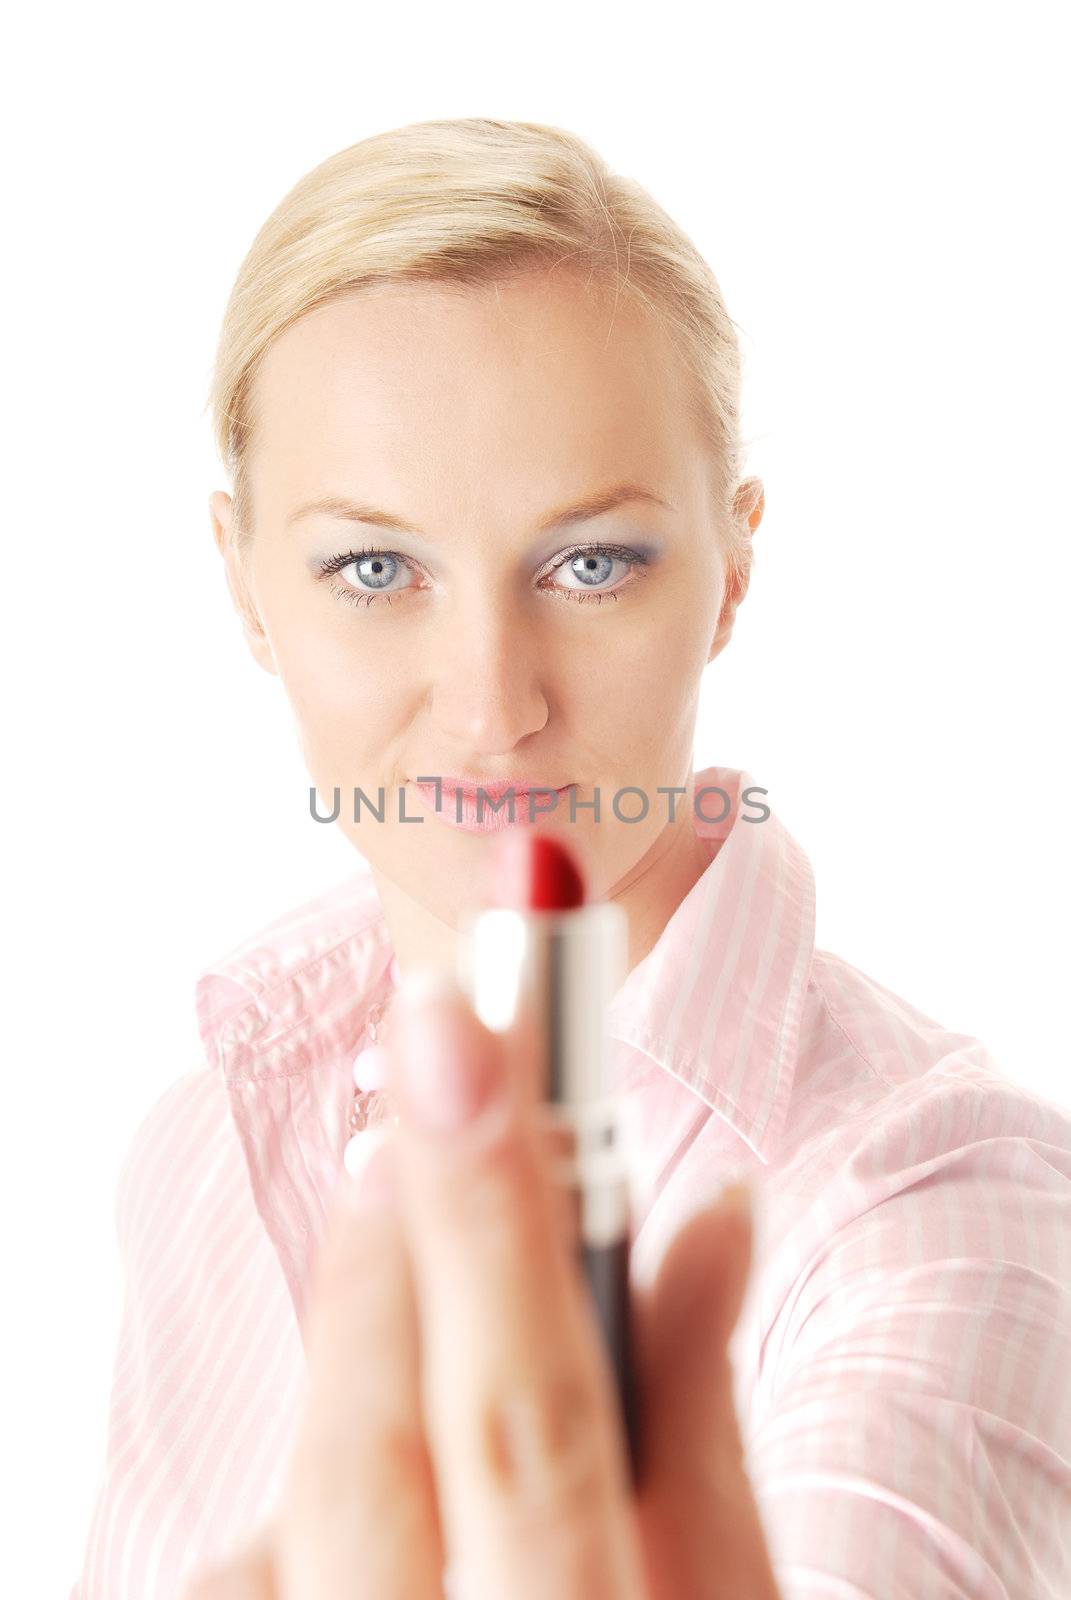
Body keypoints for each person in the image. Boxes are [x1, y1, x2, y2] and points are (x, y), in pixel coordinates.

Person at [71, 118, 1071, 1599]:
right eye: (374, 569)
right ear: (245, 586)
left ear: (732, 572)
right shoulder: (199, 1146)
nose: (493, 705)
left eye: (590, 563)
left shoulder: (938, 1206)